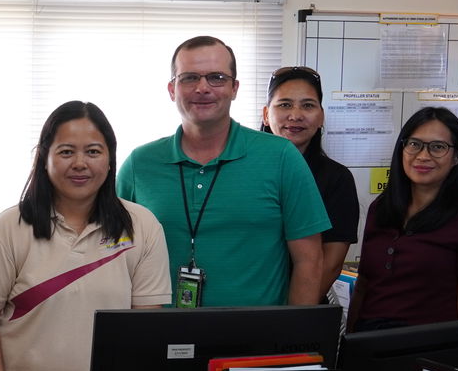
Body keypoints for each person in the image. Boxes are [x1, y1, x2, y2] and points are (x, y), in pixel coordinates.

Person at [0, 101, 171, 371]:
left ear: (110, 159)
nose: (80, 163)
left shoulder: (142, 226)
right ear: (44, 158)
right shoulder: (8, 229)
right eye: (66, 152)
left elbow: (144, 330)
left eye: (93, 151)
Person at [117, 35, 330, 307]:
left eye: (216, 78)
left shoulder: (281, 157)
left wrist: (293, 332)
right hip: (160, 330)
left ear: (234, 88)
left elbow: (309, 261)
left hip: (257, 332)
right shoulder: (139, 164)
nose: (202, 88)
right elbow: (114, 257)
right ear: (172, 89)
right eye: (189, 78)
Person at [350, 108, 458, 330]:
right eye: (414, 144)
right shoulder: (381, 207)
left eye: (438, 147)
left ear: (457, 157)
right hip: (369, 340)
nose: (423, 156)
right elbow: (363, 286)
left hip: (429, 343)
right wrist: (349, 340)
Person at [261, 66, 359, 302]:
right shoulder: (244, 171)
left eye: (307, 105)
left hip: (301, 308)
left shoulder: (337, 179)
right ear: (266, 114)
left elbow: (330, 264)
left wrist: (293, 314)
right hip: (246, 302)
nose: (295, 115)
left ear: (321, 116)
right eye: (285, 104)